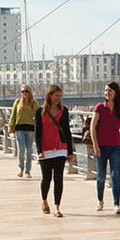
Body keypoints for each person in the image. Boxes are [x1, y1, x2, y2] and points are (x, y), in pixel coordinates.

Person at [89, 81, 120, 214]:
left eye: (109, 91)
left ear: (115, 93)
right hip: (101, 147)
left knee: (116, 175)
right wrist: (95, 145)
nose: (107, 93)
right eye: (105, 91)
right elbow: (92, 127)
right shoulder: (99, 107)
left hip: (115, 146)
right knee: (101, 176)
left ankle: (116, 204)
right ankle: (100, 200)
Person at [36, 85, 74, 217]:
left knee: (59, 178)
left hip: (60, 148)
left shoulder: (63, 111)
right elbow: (38, 132)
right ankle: (44, 201)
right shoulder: (40, 111)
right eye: (56, 95)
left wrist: (70, 151)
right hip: (46, 149)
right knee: (46, 178)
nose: (58, 98)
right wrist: (39, 150)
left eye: (60, 96)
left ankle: (57, 207)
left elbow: (67, 131)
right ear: (50, 95)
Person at [12, 86, 40, 179]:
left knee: (29, 150)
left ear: (29, 92)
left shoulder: (34, 103)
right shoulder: (17, 102)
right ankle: (20, 169)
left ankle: (28, 171)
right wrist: (11, 127)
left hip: (30, 128)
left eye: (26, 91)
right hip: (19, 128)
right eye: (22, 91)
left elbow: (38, 116)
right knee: (21, 149)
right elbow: (13, 115)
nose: (24, 93)